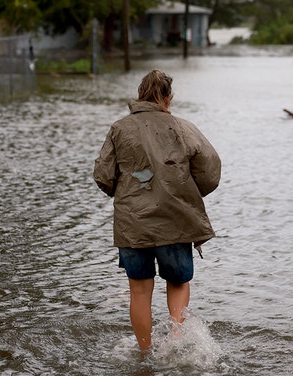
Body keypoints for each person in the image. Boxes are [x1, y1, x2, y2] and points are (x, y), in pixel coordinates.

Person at [93, 69, 221, 350]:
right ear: (168, 97)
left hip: (132, 224)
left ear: (140, 95)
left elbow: (103, 176)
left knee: (139, 291)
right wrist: (185, 191)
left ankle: (143, 353)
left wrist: (127, 193)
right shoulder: (183, 128)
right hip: (175, 221)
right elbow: (210, 172)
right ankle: (176, 345)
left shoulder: (118, 129)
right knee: (177, 283)